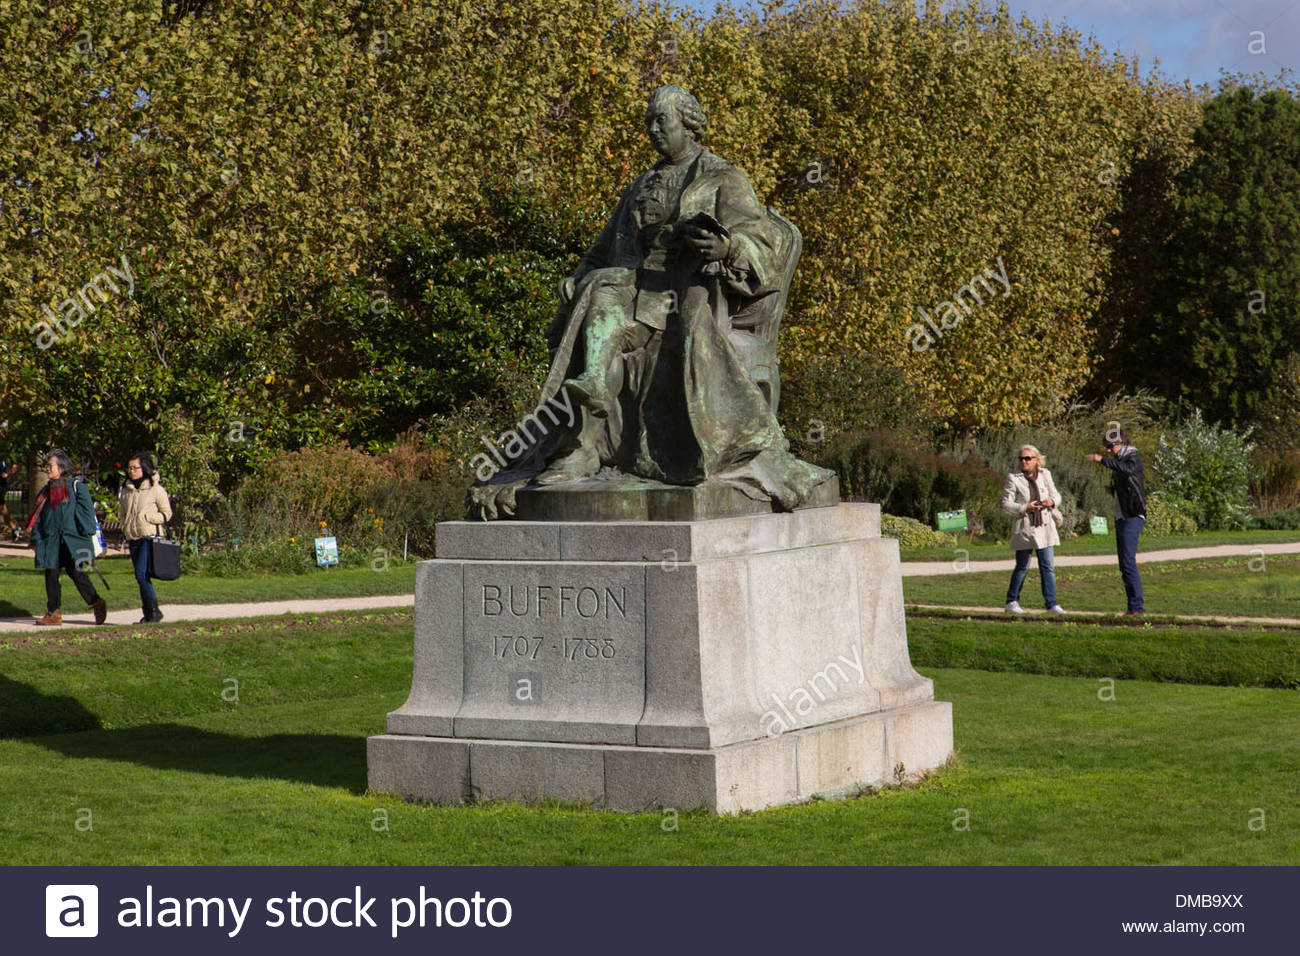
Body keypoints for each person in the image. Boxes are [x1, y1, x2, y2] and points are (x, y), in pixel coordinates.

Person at [467, 84, 831, 518]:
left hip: (684, 294)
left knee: (610, 296)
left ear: (689, 125)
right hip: (631, 288)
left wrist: (726, 248)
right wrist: (577, 277)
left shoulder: (722, 178)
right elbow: (603, 250)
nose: (654, 130)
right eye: (649, 123)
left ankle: (594, 411)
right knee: (599, 290)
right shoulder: (640, 185)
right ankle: (588, 415)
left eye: (663, 121)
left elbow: (764, 242)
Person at [28, 448, 107, 626]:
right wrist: (36, 539)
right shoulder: (46, 492)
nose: (47, 469)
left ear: (62, 468)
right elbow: (40, 517)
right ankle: (54, 612)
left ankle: (96, 602)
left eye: (50, 466)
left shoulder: (76, 487)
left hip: (72, 541)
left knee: (78, 574)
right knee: (51, 574)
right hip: (52, 541)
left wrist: (84, 533)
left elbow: (87, 514)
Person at [1085, 428, 1146, 614]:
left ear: (1121, 443)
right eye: (1106, 448)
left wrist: (1101, 459)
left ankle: (1136, 607)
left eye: (1110, 447)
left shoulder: (1132, 457)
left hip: (1133, 516)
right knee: (1123, 564)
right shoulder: (1120, 460)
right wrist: (1114, 491)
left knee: (1128, 562)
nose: (1108, 450)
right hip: (1122, 516)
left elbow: (1128, 470)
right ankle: (1132, 607)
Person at [1000, 444, 1066, 614]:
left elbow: (1056, 495)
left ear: (1036, 460)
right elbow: (1006, 504)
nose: (1024, 461)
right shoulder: (1013, 478)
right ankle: (1012, 601)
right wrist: (1025, 507)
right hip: (1026, 527)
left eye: (1028, 458)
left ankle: (1051, 604)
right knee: (1022, 566)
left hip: (1044, 526)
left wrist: (1052, 501)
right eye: (1021, 458)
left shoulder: (1045, 475)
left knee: (1048, 566)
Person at [118, 452, 172, 623]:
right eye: (130, 468)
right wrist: (124, 526)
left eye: (136, 468)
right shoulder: (126, 490)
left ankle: (154, 611)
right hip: (132, 537)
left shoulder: (156, 489)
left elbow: (167, 514)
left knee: (141, 575)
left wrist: (148, 518)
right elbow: (123, 512)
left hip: (148, 537)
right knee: (141, 576)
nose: (132, 471)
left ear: (144, 468)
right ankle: (149, 613)